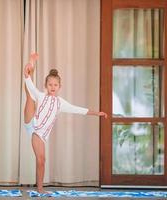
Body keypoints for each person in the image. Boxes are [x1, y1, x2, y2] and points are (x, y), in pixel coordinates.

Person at [23, 53, 107, 194]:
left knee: (42, 160)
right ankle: (31, 64)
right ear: (46, 86)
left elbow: (78, 110)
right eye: (50, 84)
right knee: (30, 93)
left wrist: (97, 113)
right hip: (32, 124)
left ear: (59, 86)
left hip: (41, 135)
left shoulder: (61, 103)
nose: (53, 87)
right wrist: (27, 72)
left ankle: (40, 189)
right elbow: (30, 85)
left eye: (55, 85)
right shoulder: (41, 95)